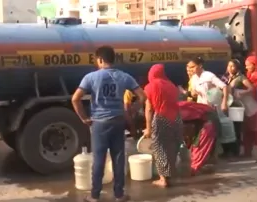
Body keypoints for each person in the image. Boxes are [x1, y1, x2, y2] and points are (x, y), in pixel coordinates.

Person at [71, 46, 146, 202]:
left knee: (99, 159)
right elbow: (142, 96)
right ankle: (119, 194)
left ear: (100, 60)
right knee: (118, 158)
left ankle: (94, 195)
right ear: (113, 59)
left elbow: (75, 99)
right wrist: (132, 110)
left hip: (99, 123)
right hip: (118, 121)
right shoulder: (124, 77)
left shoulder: (90, 77)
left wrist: (84, 118)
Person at [143, 64, 183, 187]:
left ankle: (163, 179)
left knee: (159, 147)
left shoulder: (149, 87)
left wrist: (148, 129)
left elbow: (149, 109)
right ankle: (170, 172)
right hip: (176, 118)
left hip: (161, 117)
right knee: (172, 146)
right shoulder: (171, 85)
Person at [221, 59, 254, 158]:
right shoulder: (224, 78)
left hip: (236, 106)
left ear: (237, 67)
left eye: (233, 66)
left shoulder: (240, 77)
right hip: (226, 105)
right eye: (229, 66)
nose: (230, 68)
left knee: (236, 128)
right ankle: (226, 150)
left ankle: (235, 151)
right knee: (226, 127)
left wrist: (241, 92)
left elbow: (251, 88)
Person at [243, 56, 257, 160]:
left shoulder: (256, 76)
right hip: (250, 105)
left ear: (254, 64)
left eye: (248, 64)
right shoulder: (248, 76)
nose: (247, 67)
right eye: (246, 65)